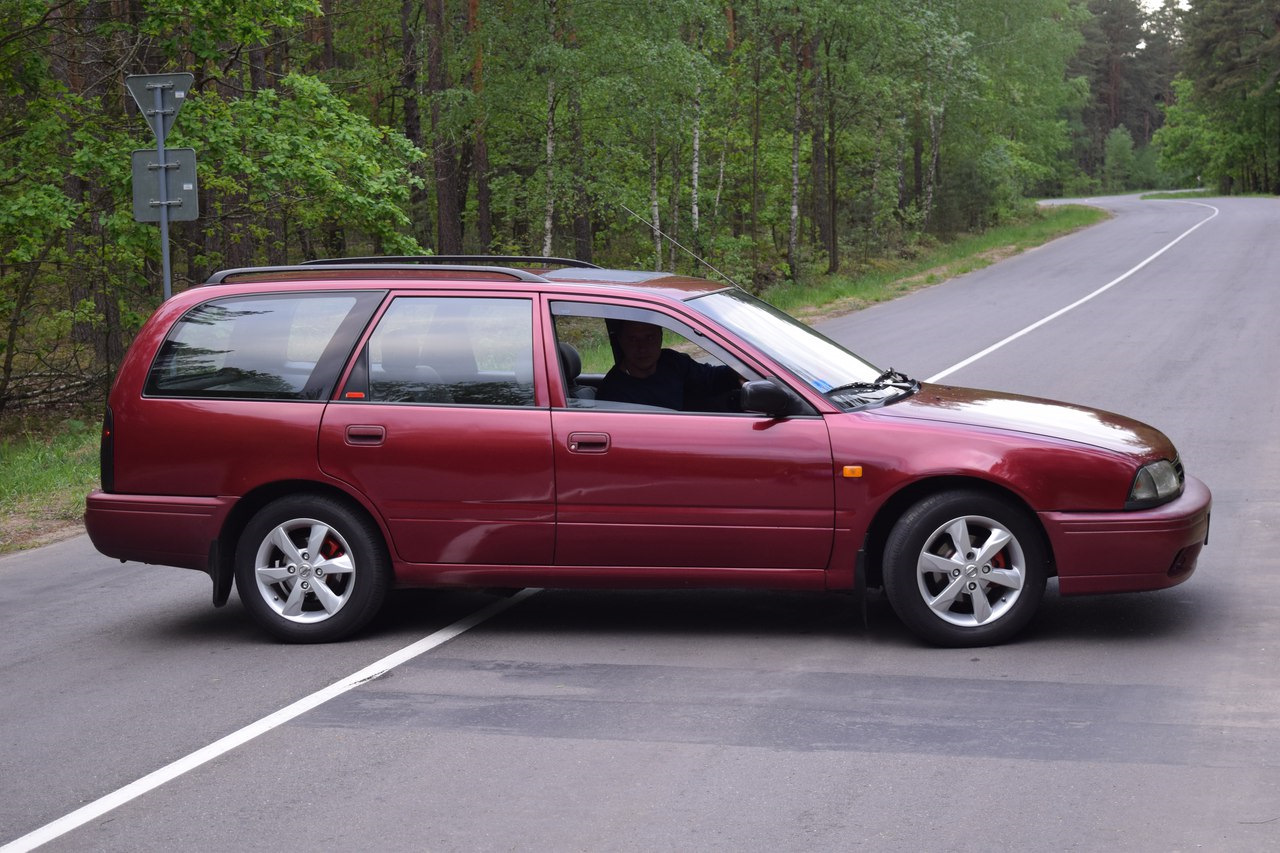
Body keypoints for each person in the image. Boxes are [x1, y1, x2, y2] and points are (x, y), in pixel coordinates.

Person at [597, 320, 741, 410]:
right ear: (621, 342)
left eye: (650, 337)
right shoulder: (612, 393)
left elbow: (710, 378)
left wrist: (742, 372)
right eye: (633, 339)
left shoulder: (671, 362)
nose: (642, 347)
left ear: (661, 337)